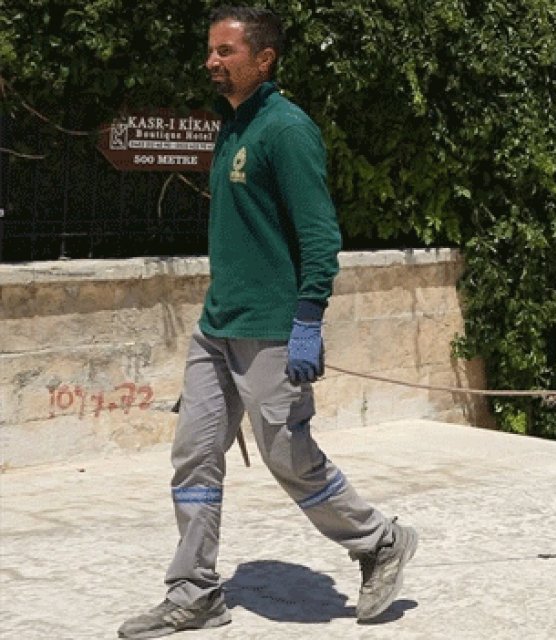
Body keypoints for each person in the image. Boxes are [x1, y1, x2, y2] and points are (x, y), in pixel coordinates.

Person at [119, 7, 417, 638]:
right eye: (210, 50)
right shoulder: (230, 128)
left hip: (271, 329)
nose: (211, 61)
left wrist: (308, 317)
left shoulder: (286, 129)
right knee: (193, 456)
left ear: (264, 59)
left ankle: (379, 541)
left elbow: (319, 234)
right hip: (216, 326)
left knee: (289, 456)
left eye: (225, 51)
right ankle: (194, 591)